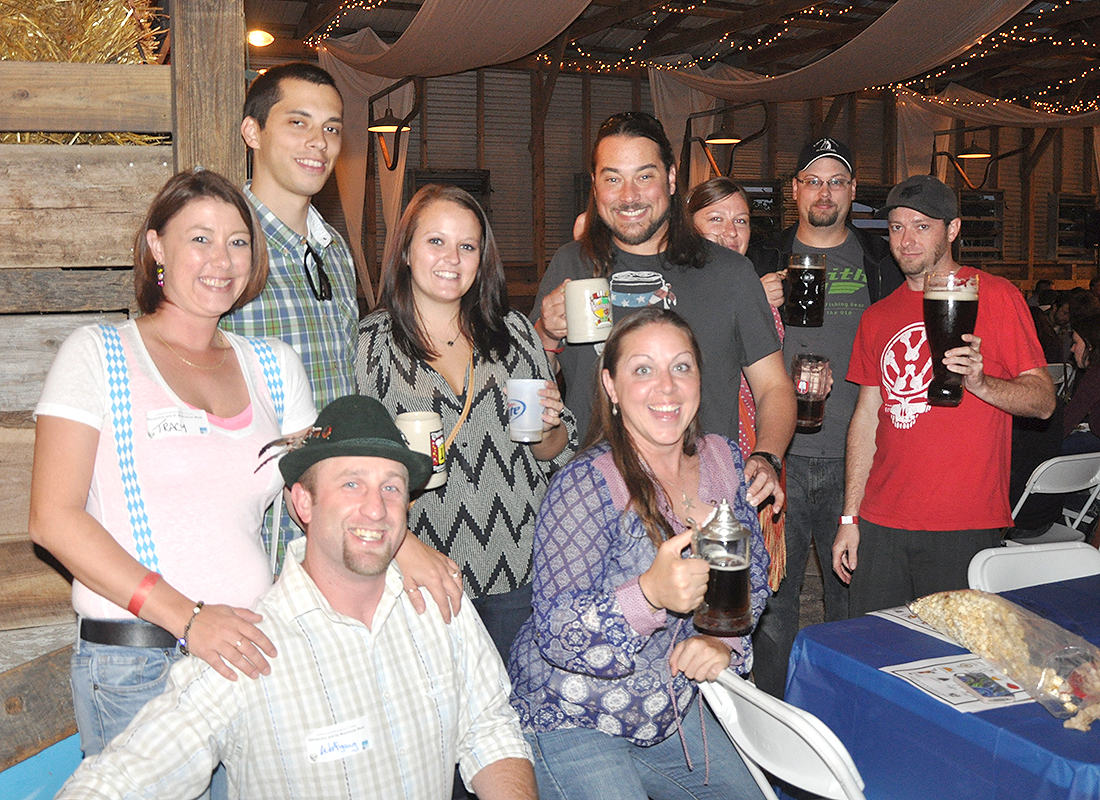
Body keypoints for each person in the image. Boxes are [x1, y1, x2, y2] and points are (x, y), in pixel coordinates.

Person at [55, 395, 536, 800]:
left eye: (391, 487)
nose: (376, 507)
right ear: (302, 502)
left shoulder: (437, 604)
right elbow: (122, 779)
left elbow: (491, 730)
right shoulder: (249, 647)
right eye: (352, 483)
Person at [28, 170, 317, 762]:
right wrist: (190, 619)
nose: (223, 259)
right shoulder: (98, 353)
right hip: (138, 667)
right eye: (200, 239)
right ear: (157, 246)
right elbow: (53, 520)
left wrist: (403, 547)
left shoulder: (273, 365)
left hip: (248, 659)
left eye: (239, 241)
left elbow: (325, 488)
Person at [508, 308, 770, 800]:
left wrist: (722, 642)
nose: (666, 387)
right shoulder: (585, 485)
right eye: (643, 369)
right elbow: (555, 631)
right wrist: (649, 593)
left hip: (666, 709)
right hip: (569, 715)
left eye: (681, 366)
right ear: (610, 385)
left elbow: (750, 581)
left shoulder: (723, 460)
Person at [531, 111, 794, 518]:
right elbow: (531, 391)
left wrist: (767, 455)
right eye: (613, 178)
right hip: (598, 503)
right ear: (596, 185)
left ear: (671, 179)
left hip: (703, 501)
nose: (629, 195)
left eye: (644, 176)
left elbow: (774, 387)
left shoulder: (729, 273)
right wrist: (546, 334)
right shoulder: (573, 264)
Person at [357, 184, 577, 666]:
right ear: (407, 252)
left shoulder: (515, 333)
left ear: (482, 258)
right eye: (435, 241)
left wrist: (550, 426)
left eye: (467, 246)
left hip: (521, 566)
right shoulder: (371, 345)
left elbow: (557, 452)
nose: (451, 258)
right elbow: (356, 463)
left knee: (520, 725)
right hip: (422, 569)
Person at [834, 174, 1055, 615]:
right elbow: (865, 419)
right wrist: (849, 518)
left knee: (955, 665)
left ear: (952, 229)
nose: (907, 240)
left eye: (922, 226)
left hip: (963, 523)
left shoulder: (994, 295)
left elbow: (1044, 401)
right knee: (877, 655)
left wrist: (982, 383)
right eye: (897, 227)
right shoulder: (878, 315)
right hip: (881, 521)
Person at [743, 136, 903, 697]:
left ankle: (844, 710)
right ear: (795, 191)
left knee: (851, 602)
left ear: (853, 192)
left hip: (854, 458)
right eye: (813, 181)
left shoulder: (882, 262)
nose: (825, 192)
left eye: (837, 181)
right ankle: (772, 721)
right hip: (777, 458)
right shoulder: (759, 259)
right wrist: (751, 300)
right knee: (774, 606)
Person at [221, 62, 358, 568]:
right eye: (297, 123)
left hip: (330, 522)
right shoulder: (227, 246)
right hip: (255, 527)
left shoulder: (334, 249)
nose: (318, 142)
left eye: (331, 128)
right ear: (252, 131)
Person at [686, 177, 788, 595]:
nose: (731, 232)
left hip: (750, 457)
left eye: (741, 221)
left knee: (745, 592)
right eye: (715, 219)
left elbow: (768, 382)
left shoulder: (752, 285)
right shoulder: (671, 290)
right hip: (691, 465)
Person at [1062, 314, 1100, 454]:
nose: (1072, 349)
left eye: (1076, 343)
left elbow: (1070, 417)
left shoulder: (1095, 376)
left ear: (1090, 347)